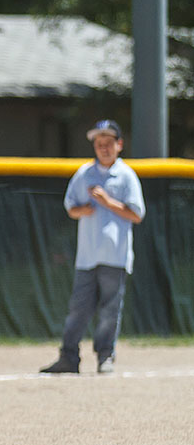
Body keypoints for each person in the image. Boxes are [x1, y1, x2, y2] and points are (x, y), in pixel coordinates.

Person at [40, 120, 145, 374]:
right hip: (87, 256)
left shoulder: (126, 175)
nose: (104, 148)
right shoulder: (84, 173)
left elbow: (137, 214)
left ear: (119, 145)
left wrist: (108, 202)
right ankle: (68, 358)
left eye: (109, 143)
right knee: (78, 309)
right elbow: (71, 208)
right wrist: (82, 209)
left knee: (110, 311)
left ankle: (105, 357)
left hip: (115, 256)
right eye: (99, 144)